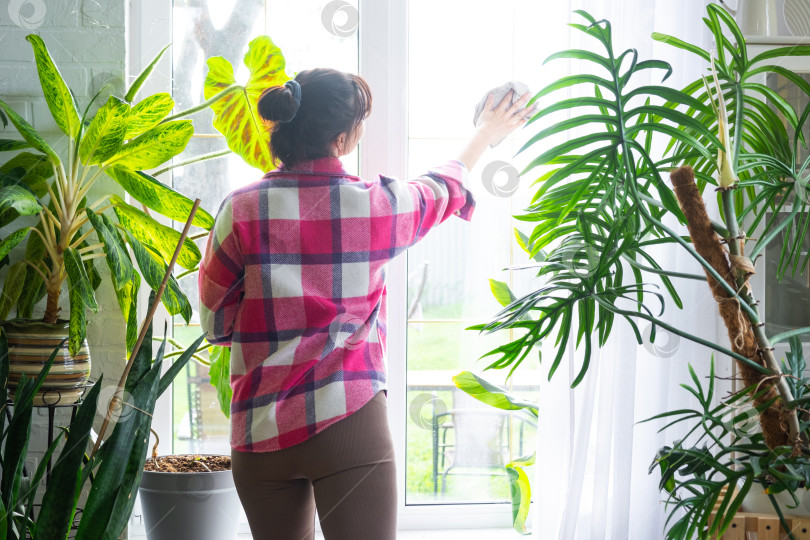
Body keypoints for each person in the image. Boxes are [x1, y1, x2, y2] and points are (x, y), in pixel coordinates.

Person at [198, 68, 533, 540]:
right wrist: (486, 133)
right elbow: (441, 187)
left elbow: (215, 320)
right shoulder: (377, 207)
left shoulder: (241, 209)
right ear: (341, 139)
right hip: (347, 420)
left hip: (259, 430)